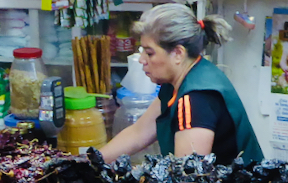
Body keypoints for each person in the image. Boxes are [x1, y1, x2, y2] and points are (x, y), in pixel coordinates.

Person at [100, 4, 263, 165]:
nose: (142, 60)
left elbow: (187, 175)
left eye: (149, 53)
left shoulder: (196, 99)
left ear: (178, 53)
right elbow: (139, 132)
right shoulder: (180, 78)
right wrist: (91, 162)